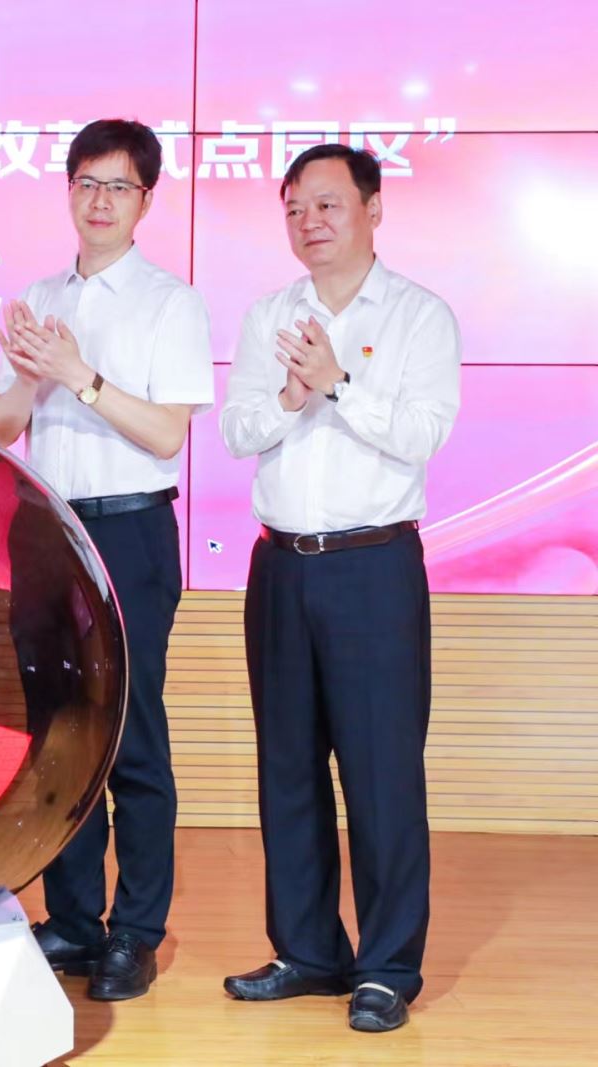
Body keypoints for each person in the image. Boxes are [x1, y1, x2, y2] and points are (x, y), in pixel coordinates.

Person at [219, 142, 461, 1033]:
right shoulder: (268, 315)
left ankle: (388, 966)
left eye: (327, 204)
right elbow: (238, 431)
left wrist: (338, 384)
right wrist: (290, 397)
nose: (309, 222)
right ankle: (308, 949)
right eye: (294, 208)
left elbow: (423, 433)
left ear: (372, 208)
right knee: (287, 766)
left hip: (373, 567)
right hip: (280, 565)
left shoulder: (419, 316)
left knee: (381, 772)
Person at [0, 118, 214, 1001]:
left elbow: (165, 434)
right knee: (59, 737)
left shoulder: (170, 302)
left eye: (118, 186)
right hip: (48, 533)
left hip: (129, 531)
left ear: (145, 200)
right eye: (86, 183)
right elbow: (2, 427)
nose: (100, 201)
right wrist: (30, 374)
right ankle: (74, 920)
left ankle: (136, 931)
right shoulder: (41, 295)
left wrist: (80, 375)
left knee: (131, 737)